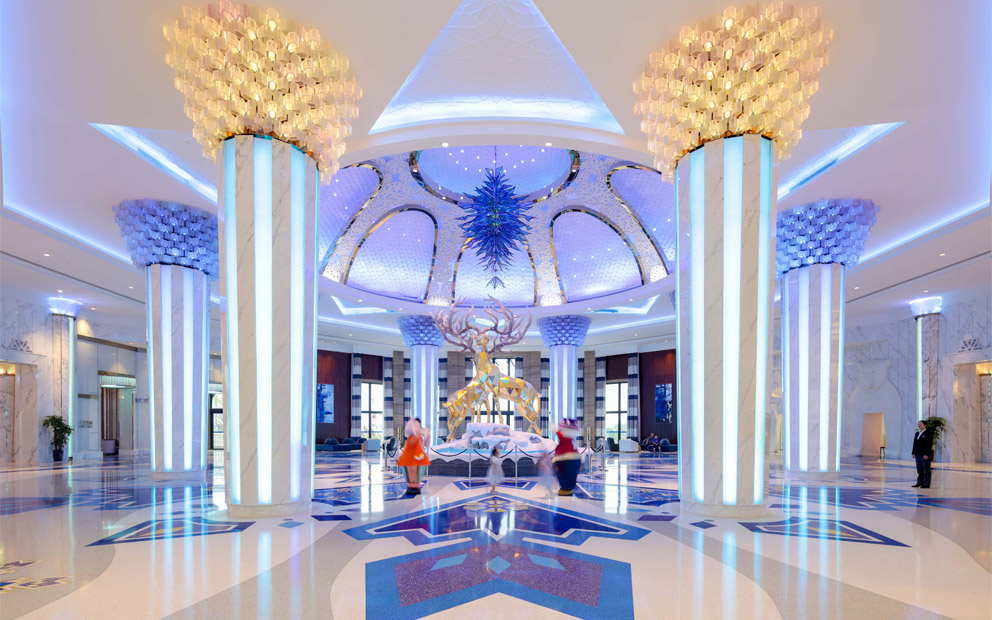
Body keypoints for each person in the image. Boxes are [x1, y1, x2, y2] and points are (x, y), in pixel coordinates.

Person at [397, 418, 430, 495]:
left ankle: (414, 486)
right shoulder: (412, 436)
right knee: (411, 471)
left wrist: (428, 435)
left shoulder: (420, 434)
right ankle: (411, 487)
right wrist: (418, 435)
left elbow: (426, 443)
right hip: (409, 457)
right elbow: (411, 442)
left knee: (416, 471)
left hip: (417, 456)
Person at [553, 419, 582, 496]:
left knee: (563, 474)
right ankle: (568, 488)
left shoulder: (565, 435)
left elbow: (561, 436)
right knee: (571, 474)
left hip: (564, 458)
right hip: (575, 458)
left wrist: (555, 430)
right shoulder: (572, 436)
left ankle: (565, 488)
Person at [911, 420, 934, 489]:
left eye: (920, 424)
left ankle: (926, 484)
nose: (919, 425)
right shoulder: (917, 433)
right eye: (918, 424)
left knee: (926, 469)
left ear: (925, 425)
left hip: (924, 454)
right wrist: (913, 452)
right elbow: (914, 443)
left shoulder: (928, 433)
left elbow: (929, 445)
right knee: (919, 469)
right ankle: (919, 482)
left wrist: (927, 454)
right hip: (917, 453)